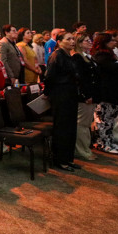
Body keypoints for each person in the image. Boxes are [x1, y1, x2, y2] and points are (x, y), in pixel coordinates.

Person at [44, 31, 81, 171]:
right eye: (68, 39)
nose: (72, 41)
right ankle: (60, 159)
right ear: (59, 42)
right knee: (62, 127)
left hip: (70, 94)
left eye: (73, 39)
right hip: (61, 94)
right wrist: (47, 93)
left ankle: (68, 158)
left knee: (70, 127)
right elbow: (49, 77)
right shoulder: (57, 55)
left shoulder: (68, 55)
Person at [91, 32, 118, 154]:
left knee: (110, 120)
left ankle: (109, 142)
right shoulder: (101, 55)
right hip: (106, 93)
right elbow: (114, 68)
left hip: (113, 92)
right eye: (112, 40)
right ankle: (102, 144)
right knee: (104, 120)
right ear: (104, 43)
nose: (115, 42)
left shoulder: (109, 54)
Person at [72, 33, 100, 160]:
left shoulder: (88, 56)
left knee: (86, 123)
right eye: (86, 41)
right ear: (79, 43)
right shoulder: (77, 57)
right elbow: (80, 79)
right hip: (84, 97)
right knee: (82, 124)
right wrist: (86, 95)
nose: (90, 42)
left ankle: (85, 148)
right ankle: (81, 150)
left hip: (91, 94)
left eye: (90, 40)